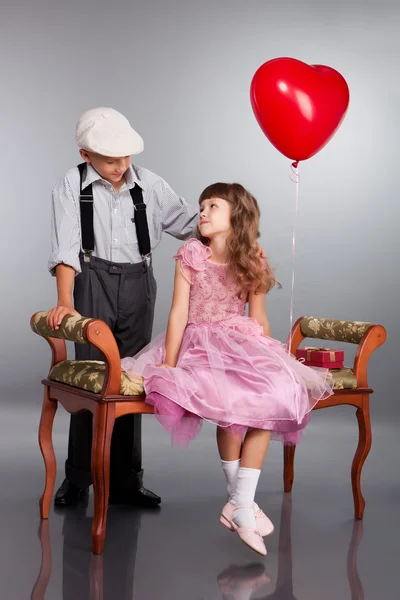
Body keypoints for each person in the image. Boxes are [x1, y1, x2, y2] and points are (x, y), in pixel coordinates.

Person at [121, 182, 334, 555]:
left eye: (213, 206)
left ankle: (240, 502)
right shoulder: (191, 254)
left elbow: (259, 317)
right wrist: (170, 362)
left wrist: (276, 358)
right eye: (202, 206)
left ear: (236, 216)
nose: (202, 212)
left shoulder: (252, 259)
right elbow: (178, 313)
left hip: (242, 340)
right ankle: (243, 506)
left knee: (273, 399)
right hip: (199, 342)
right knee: (229, 404)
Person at [46, 107, 199, 508]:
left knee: (132, 379)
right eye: (111, 160)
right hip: (91, 281)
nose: (121, 167)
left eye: (126, 158)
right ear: (86, 155)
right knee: (93, 378)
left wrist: (233, 224)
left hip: (138, 284)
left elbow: (191, 223)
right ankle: (79, 477)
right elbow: (65, 250)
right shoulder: (71, 185)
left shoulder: (148, 184)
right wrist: (65, 300)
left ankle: (127, 481)